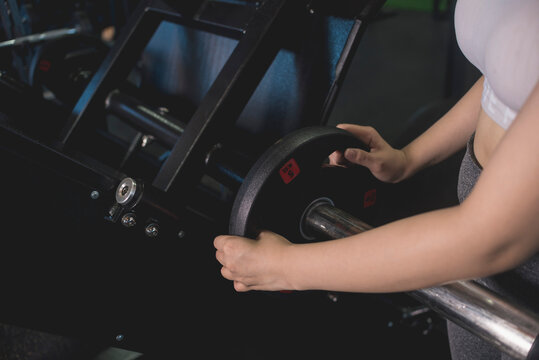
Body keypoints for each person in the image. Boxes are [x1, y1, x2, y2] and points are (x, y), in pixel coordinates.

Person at [214, 1, 539, 359]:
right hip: (482, 210)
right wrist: (409, 157)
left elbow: (487, 239)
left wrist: (285, 268)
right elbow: (508, 75)